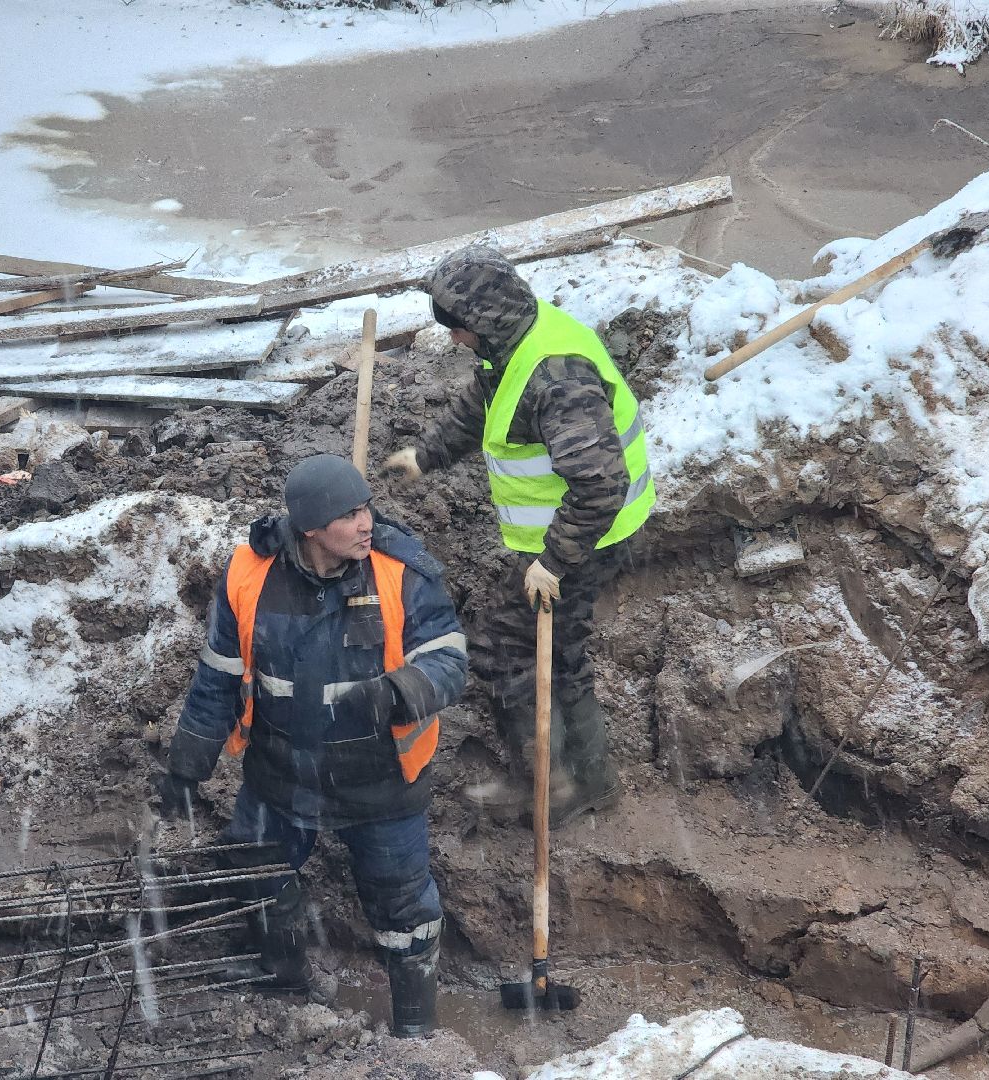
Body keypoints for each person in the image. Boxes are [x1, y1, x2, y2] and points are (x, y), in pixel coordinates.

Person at [155, 454, 467, 1037]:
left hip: (382, 780)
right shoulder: (250, 573)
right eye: (348, 515)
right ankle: (284, 977)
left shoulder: (403, 572)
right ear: (310, 530)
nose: (366, 522)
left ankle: (417, 1031)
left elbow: (450, 659)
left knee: (404, 907)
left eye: (366, 507)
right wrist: (187, 767)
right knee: (255, 868)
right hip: (280, 772)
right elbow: (219, 673)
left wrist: (395, 693)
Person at [384, 245, 654, 827]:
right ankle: (587, 776)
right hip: (577, 532)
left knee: (506, 650)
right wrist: (426, 455)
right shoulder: (514, 344)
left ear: (486, 321)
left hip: (587, 537)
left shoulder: (559, 381)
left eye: (459, 328)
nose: (454, 340)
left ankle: (548, 785)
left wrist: (554, 562)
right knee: (558, 650)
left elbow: (601, 485)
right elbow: (486, 404)